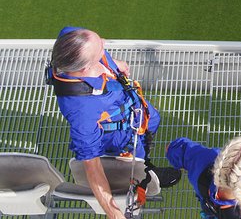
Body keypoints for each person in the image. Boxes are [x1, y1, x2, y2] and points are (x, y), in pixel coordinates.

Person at [45, 26, 181, 219]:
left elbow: (77, 36)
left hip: (134, 110)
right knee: (135, 157)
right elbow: (92, 168)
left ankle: (146, 163)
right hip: (121, 137)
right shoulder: (82, 112)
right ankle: (146, 172)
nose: (104, 43)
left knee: (152, 121)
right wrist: (114, 214)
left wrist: (113, 63)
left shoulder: (70, 40)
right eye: (100, 48)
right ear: (85, 68)